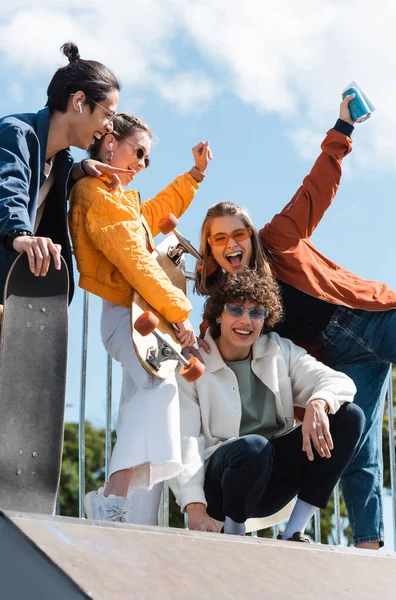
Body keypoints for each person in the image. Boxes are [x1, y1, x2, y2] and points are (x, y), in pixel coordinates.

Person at [194, 97, 396, 549]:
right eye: (220, 240)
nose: (232, 245)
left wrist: (343, 126)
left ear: (251, 235)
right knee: (357, 441)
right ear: (212, 250)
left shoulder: (278, 238)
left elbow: (316, 190)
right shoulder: (229, 304)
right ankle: (368, 547)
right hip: (340, 360)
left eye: (238, 234)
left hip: (371, 319)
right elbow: (216, 348)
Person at [69, 112, 212, 525]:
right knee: (160, 387)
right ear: (110, 142)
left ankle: (129, 515)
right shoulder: (95, 193)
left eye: (148, 159)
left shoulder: (117, 198)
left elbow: (154, 214)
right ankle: (112, 498)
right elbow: (136, 262)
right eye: (140, 153)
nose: (143, 164)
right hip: (127, 315)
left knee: (143, 400)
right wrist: (178, 311)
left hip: (136, 313)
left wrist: (195, 176)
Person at [171, 269, 364, 540]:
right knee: (253, 447)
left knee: (349, 416)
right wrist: (194, 507)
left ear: (265, 319)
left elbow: (340, 383)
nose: (245, 320)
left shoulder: (278, 350)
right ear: (218, 314)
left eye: (257, 312)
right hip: (221, 485)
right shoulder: (194, 364)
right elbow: (185, 440)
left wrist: (319, 402)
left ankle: (294, 532)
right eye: (235, 309)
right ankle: (234, 534)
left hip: (273, 480)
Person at [0, 42, 131, 378]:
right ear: (79, 102)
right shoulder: (16, 133)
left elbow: (55, 171)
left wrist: (83, 171)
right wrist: (20, 235)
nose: (109, 128)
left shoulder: (62, 162)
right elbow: (6, 187)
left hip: (10, 312)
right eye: (107, 114)